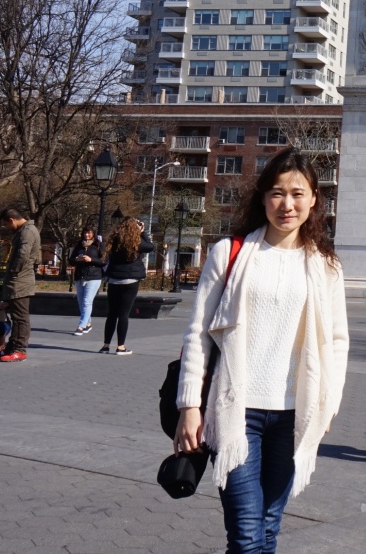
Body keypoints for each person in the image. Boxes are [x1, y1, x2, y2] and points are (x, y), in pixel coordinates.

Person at [174, 147, 349, 554]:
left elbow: (337, 341)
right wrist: (189, 406)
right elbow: (198, 333)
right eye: (277, 193)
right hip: (237, 410)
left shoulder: (326, 265)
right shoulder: (229, 253)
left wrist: (329, 404)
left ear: (314, 199)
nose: (287, 204)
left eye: (297, 193)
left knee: (268, 527)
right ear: (263, 197)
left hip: (294, 412)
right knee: (248, 534)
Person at [99, 216, 154, 356]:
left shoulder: (114, 240)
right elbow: (150, 247)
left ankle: (105, 346)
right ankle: (120, 347)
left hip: (114, 279)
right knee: (123, 314)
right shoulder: (136, 242)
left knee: (112, 313)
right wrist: (142, 232)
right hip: (130, 281)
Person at [0, 208, 41, 363]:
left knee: (21, 317)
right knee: (16, 316)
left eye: (6, 224)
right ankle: (11, 348)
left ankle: (20, 350)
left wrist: (13, 271)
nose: (7, 228)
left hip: (20, 281)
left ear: (11, 220)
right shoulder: (25, 230)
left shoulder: (27, 232)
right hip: (19, 280)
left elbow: (23, 254)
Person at [70, 224, 104, 336]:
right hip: (80, 276)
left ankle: (81, 326)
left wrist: (91, 259)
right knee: (81, 302)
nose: (87, 235)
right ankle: (88, 323)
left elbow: (104, 261)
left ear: (93, 234)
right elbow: (71, 260)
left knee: (87, 301)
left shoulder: (98, 245)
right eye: (85, 232)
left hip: (93, 277)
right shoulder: (79, 245)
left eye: (89, 233)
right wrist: (77, 259)